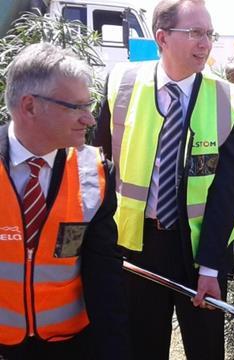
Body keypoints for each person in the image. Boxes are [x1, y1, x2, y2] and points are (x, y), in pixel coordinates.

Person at [93, 0, 234, 359]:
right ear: (162, 37)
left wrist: (211, 267)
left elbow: (226, 190)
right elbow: (97, 165)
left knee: (205, 347)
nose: (205, 43)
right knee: (142, 345)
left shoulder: (231, 99)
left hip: (199, 246)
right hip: (135, 243)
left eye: (209, 33)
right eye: (195, 32)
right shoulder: (120, 82)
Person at [0, 43, 129, 360]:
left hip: (71, 346)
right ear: (29, 106)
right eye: (76, 107)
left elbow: (104, 274)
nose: (89, 119)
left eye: (90, 105)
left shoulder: (94, 172)